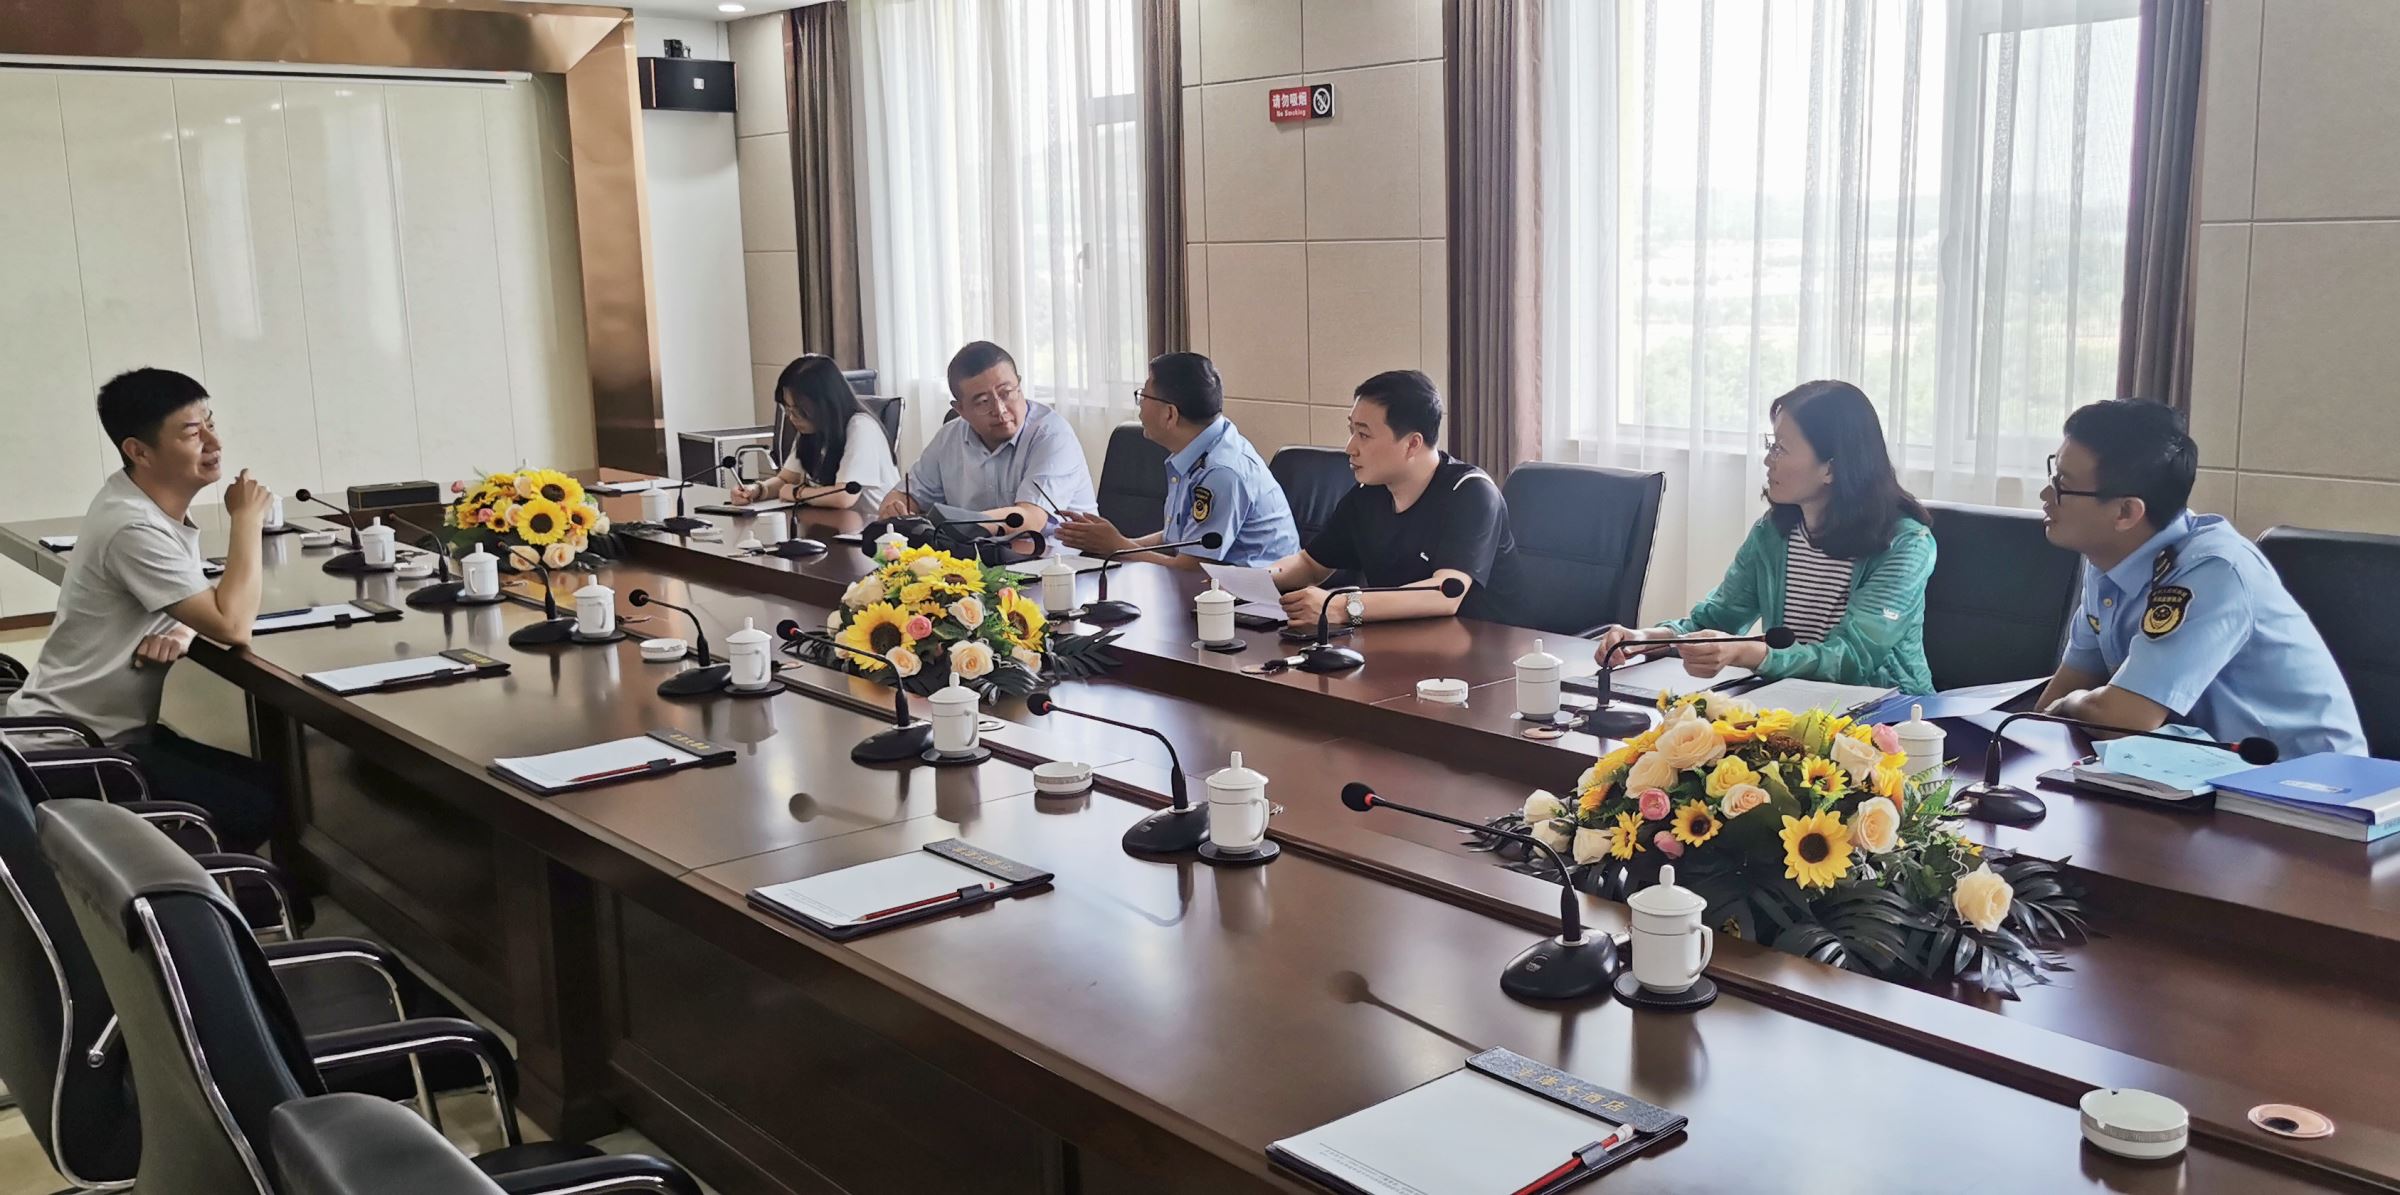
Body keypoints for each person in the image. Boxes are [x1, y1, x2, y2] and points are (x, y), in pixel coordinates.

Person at [6, 369, 280, 850]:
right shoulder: (132, 525)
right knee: (257, 803)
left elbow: (197, 601)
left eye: (211, 423)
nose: (214, 442)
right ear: (139, 451)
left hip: (97, 733)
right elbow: (234, 624)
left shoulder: (137, 499)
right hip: (75, 750)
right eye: (192, 432)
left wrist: (182, 630)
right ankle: (203, 891)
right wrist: (246, 519)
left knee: (270, 784)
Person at [2034, 400, 2365, 758]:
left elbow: (2122, 719)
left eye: (2063, 485)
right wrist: (2071, 704)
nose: (2046, 496)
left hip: (2300, 780)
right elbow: (2048, 712)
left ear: (2126, 511)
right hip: (2192, 771)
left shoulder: (2212, 569)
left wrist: (2074, 703)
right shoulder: (2105, 562)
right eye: (2053, 476)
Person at [1593, 380, 1937, 692]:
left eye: (1781, 448)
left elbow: (1852, 660)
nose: (1768, 461)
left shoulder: (1906, 545)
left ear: (1831, 468)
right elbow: (1714, 620)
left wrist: (1746, 653)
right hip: (1791, 704)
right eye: (1770, 445)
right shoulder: (1773, 532)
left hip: (1887, 716)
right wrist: (1645, 639)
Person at [1268, 370, 1520, 628]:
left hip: (1482, 645)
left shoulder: (1471, 492)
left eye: (1363, 435)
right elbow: (1311, 564)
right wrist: (1255, 579)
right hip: (1397, 640)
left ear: (1412, 444)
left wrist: (1344, 607)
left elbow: (1444, 594)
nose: (1350, 448)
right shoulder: (1368, 494)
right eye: (1351, 431)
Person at [1054, 352, 1300, 569]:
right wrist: (1109, 544)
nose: (1139, 407)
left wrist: (1118, 547)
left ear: (1170, 414)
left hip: (1257, 599)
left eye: (1143, 396)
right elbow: (1179, 538)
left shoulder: (1221, 472)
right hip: (1212, 591)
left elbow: (1191, 571)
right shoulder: (1203, 446)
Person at [875, 341, 1097, 531]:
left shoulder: (1052, 434)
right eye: (983, 402)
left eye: (1006, 393)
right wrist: (896, 509)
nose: (1000, 410)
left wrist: (953, 525)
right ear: (960, 409)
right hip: (979, 559)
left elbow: (1029, 520)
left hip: (1059, 562)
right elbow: (905, 495)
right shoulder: (948, 438)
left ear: (1019, 385)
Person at [731, 354, 898, 514]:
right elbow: (786, 480)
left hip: (875, 527)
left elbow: (844, 496)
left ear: (825, 404)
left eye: (800, 410)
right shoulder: (813, 430)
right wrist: (757, 490)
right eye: (788, 409)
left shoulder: (860, 428)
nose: (792, 418)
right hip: (833, 523)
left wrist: (797, 493)